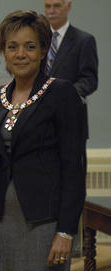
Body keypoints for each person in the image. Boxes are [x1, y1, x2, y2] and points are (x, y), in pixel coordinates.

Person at [0, 10, 86, 271]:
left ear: (43, 51)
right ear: (4, 52)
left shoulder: (62, 93)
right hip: (6, 220)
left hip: (45, 221)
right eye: (12, 47)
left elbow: (74, 167)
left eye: (30, 46)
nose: (21, 54)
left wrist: (66, 231)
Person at [44, 0, 98, 173]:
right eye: (47, 6)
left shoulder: (84, 40)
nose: (51, 11)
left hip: (71, 120)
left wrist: (63, 95)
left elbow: (89, 80)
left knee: (72, 177)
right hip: (42, 122)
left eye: (57, 5)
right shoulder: (39, 41)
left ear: (68, 6)